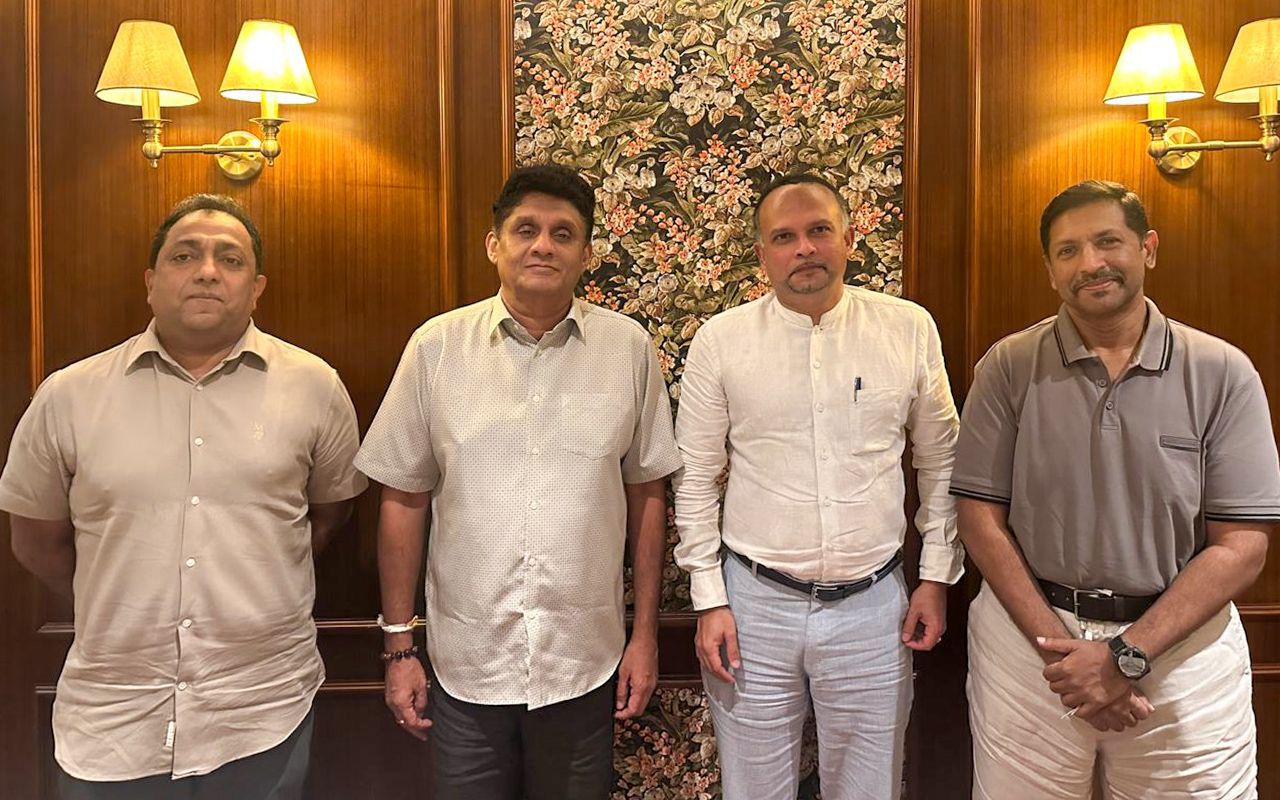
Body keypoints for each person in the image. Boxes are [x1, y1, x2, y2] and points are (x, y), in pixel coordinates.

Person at [0, 194, 366, 799]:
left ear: (257, 288)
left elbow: (326, 516)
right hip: (114, 721)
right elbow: (35, 540)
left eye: (231, 259)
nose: (207, 272)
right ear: (151, 282)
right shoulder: (68, 395)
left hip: (260, 712)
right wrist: (119, 595)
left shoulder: (315, 388)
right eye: (184, 256)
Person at [355, 163, 681, 800]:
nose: (543, 246)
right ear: (493, 244)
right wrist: (399, 647)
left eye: (564, 233)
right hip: (466, 664)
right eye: (526, 229)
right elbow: (403, 497)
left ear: (586, 253)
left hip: (584, 663)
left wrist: (644, 637)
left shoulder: (627, 349)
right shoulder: (436, 348)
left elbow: (646, 492)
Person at [951, 179, 1278, 799]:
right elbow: (979, 521)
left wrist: (1126, 656)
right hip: (1030, 647)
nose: (1090, 263)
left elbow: (1243, 545)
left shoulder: (1223, 372)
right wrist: (1064, 660)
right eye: (1068, 251)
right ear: (1050, 270)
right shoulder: (1007, 367)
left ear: (1147, 248)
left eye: (1108, 242)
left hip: (1184, 653)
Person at [672, 173, 963, 800]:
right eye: (784, 237)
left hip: (875, 608)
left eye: (819, 230)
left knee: (868, 789)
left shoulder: (908, 328)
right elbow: (694, 476)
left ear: (849, 239)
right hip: (752, 605)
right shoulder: (721, 341)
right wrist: (708, 599)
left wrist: (936, 577)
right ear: (762, 254)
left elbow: (942, 462)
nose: (804, 248)